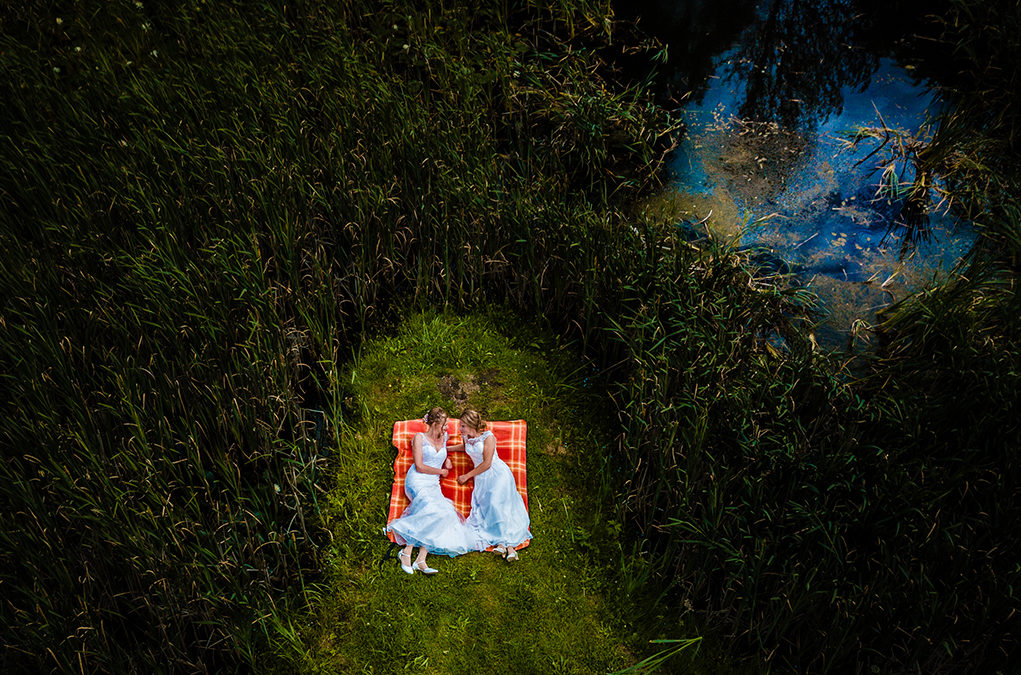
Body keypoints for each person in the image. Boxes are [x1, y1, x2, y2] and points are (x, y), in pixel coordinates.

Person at [385, 407, 475, 574]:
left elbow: (439, 454)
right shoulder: (419, 438)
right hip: (417, 481)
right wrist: (441, 471)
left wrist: (446, 460)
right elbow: (419, 466)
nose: (447, 428)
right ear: (434, 424)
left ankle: (421, 559)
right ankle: (406, 552)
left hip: (433, 484)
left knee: (445, 512)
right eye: (444, 425)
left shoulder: (444, 437)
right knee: (430, 507)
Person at [455, 409, 531, 561]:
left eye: (463, 426)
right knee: (489, 508)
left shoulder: (488, 437)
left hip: (497, 474)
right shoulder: (465, 436)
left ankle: (505, 545)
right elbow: (465, 448)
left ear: (471, 425)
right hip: (482, 479)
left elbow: (487, 463)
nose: (460, 429)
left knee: (497, 504)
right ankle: (506, 547)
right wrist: (444, 449)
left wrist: (467, 476)